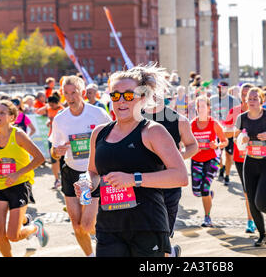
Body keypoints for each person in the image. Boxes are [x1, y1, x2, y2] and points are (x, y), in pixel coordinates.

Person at [75, 64, 188, 257]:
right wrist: (87, 183)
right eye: (115, 95)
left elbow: (180, 176)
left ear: (142, 98)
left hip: (147, 225)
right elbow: (93, 171)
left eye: (128, 95)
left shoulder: (153, 131)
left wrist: (133, 179)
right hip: (109, 226)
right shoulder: (99, 133)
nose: (121, 101)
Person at [49, 76, 112, 257]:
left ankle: (114, 237)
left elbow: (114, 135)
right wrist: (57, 151)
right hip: (70, 173)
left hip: (92, 174)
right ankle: (90, 255)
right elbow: (54, 151)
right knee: (77, 226)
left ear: (82, 93)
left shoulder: (97, 114)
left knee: (86, 224)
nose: (70, 97)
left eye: (74, 92)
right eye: (66, 93)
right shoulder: (60, 120)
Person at [0, 100, 47, 257]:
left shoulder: (18, 135)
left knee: (13, 236)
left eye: (2, 113)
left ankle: (36, 227)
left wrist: (18, 173)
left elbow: (39, 158)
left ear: (11, 117)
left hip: (20, 185)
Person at [142, 87, 199, 257]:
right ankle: (170, 253)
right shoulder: (136, 118)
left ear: (164, 96)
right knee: (145, 236)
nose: (154, 97)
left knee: (162, 235)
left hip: (169, 185)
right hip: (143, 184)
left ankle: (169, 252)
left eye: (157, 93)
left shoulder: (178, 120)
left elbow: (193, 145)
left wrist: (178, 157)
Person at [234, 87, 266, 247]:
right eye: (249, 98)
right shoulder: (241, 118)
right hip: (250, 163)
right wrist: (243, 138)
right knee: (251, 202)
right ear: (245, 101)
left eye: (255, 98)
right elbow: (236, 136)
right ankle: (262, 235)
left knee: (261, 202)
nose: (252, 101)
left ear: (261, 100)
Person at [190, 95, 228, 227]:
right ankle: (209, 195)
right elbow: (186, 143)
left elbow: (225, 141)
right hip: (196, 159)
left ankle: (207, 217)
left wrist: (216, 145)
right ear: (196, 108)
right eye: (198, 106)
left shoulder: (214, 123)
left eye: (203, 106)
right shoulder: (192, 125)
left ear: (208, 108)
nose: (201, 109)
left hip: (212, 159)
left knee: (204, 188)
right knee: (196, 191)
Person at [223, 83, 256, 233]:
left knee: (259, 192)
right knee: (248, 191)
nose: (246, 97)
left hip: (260, 157)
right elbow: (225, 132)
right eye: (243, 95)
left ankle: (260, 214)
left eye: (249, 94)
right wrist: (236, 132)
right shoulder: (234, 111)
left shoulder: (263, 112)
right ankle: (251, 220)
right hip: (241, 158)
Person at [210, 81, 239, 186]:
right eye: (219, 87)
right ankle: (221, 168)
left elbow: (237, 115)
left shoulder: (233, 100)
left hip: (229, 131)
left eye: (223, 87)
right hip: (217, 130)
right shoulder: (212, 99)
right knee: (217, 155)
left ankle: (227, 175)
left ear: (227, 88)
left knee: (228, 155)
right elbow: (209, 113)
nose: (221, 89)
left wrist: (235, 127)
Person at [36, 94, 65, 189]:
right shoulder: (48, 108)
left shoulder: (63, 110)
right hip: (51, 137)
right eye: (50, 105)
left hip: (62, 138)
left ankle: (64, 180)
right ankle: (57, 180)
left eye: (52, 105)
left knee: (63, 160)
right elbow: (38, 111)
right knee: (53, 159)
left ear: (57, 103)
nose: (51, 107)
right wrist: (49, 120)